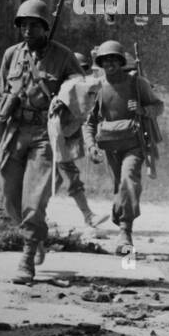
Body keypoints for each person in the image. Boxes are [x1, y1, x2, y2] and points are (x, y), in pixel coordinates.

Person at [0, 0, 81, 284]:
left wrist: (64, 97)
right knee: (11, 200)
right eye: (23, 25)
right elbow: (0, 96)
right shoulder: (11, 55)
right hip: (14, 132)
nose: (27, 30)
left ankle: (27, 256)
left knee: (34, 200)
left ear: (44, 27)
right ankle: (37, 237)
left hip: (45, 135)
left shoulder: (62, 56)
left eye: (33, 25)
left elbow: (81, 87)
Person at [82, 41, 162, 255]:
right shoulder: (96, 87)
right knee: (119, 188)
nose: (110, 64)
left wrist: (143, 109)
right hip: (110, 147)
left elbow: (158, 106)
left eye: (114, 59)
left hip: (134, 145)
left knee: (128, 181)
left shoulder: (137, 83)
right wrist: (90, 145)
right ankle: (121, 217)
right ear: (100, 63)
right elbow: (89, 122)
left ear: (121, 61)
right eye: (105, 60)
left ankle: (125, 233)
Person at [52, 51, 103, 232]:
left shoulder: (79, 89)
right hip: (54, 139)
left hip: (63, 139)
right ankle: (89, 216)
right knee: (71, 177)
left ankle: (36, 213)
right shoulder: (64, 89)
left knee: (55, 180)